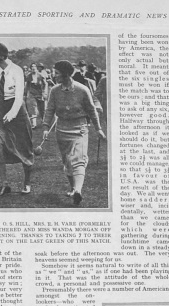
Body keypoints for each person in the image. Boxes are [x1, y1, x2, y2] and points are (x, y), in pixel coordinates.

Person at [41, 60, 105, 206]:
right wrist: (45, 127)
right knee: (68, 162)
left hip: (79, 129)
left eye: (56, 73)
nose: (54, 75)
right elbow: (49, 109)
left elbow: (91, 110)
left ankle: (78, 191)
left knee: (79, 160)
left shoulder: (82, 90)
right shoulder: (54, 90)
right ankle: (73, 187)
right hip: (62, 130)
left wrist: (98, 128)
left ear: (66, 74)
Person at [0, 42, 34, 196]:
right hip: (1, 112)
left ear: (0, 56)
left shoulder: (17, 71)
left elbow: (19, 96)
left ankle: (27, 183)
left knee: (24, 148)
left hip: (18, 112)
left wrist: (12, 114)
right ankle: (4, 184)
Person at [25, 63, 47, 127]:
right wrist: (25, 94)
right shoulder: (29, 76)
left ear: (36, 68)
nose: (33, 69)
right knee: (33, 108)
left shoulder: (40, 75)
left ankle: (44, 121)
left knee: (42, 109)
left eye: (34, 67)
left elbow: (45, 84)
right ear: (30, 69)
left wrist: (44, 92)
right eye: (32, 68)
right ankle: (34, 124)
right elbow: (27, 85)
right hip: (32, 93)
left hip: (40, 93)